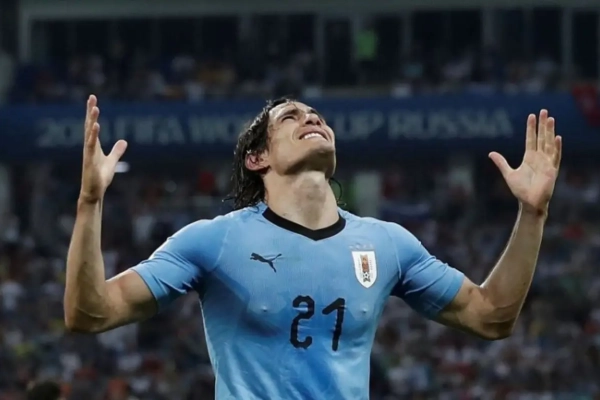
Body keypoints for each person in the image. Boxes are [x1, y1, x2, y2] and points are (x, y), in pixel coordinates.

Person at [64, 95, 562, 400]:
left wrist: (532, 214)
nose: (311, 118)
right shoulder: (214, 240)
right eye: (291, 116)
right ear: (258, 158)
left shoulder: (387, 243)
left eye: (317, 114)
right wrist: (89, 203)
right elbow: (90, 314)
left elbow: (491, 317)